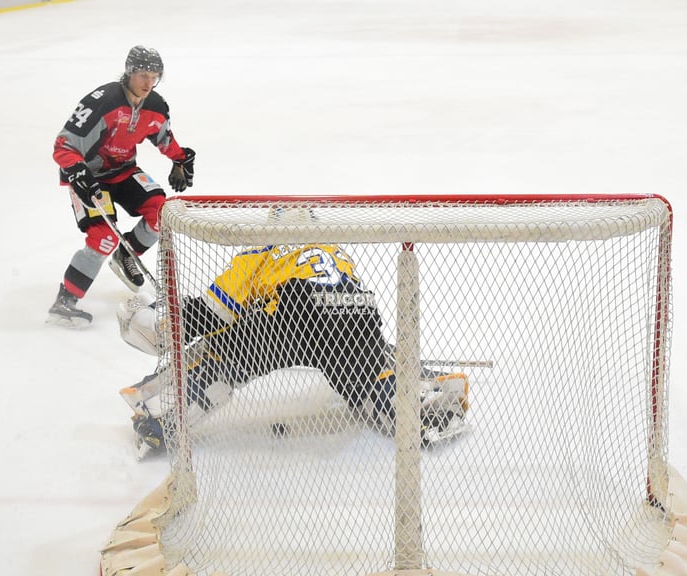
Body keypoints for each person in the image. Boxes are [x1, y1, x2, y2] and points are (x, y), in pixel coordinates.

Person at [117, 237, 470, 457]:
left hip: (293, 312)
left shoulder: (262, 248)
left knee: (220, 356)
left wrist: (168, 323)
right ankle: (429, 407)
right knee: (367, 375)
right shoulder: (332, 248)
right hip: (358, 311)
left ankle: (161, 416)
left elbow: (215, 311)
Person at [48, 45, 197, 328]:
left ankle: (127, 255)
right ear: (129, 72)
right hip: (89, 178)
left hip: (124, 171)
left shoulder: (155, 104)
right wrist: (78, 171)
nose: (148, 83)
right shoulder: (102, 101)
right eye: (142, 75)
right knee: (103, 237)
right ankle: (64, 302)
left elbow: (163, 136)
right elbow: (63, 145)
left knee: (160, 212)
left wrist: (181, 158)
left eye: (154, 76)